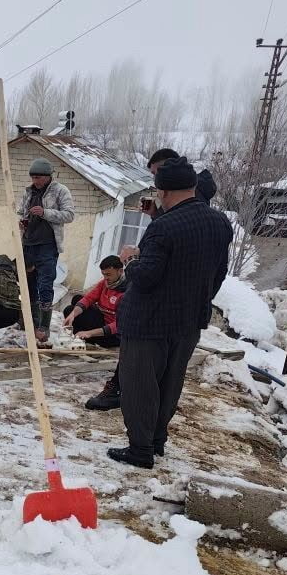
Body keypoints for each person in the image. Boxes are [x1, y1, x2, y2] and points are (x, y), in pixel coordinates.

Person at [108, 157, 232, 468]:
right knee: (170, 383)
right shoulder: (219, 223)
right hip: (189, 321)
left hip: (149, 322)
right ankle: (157, 441)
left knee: (139, 384)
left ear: (164, 192)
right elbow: (218, 273)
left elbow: (147, 277)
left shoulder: (163, 227)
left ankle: (140, 449)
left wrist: (129, 260)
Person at [17, 157, 75, 346]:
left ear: (48, 176)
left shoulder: (60, 191)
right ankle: (31, 322)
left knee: (45, 286)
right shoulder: (29, 191)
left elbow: (69, 215)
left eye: (39, 178)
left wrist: (45, 212)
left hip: (47, 246)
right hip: (28, 244)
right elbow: (21, 211)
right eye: (33, 177)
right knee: (28, 285)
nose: (35, 181)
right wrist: (22, 221)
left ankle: (44, 327)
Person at [63, 255, 126, 410]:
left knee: (88, 322)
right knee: (73, 306)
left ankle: (87, 337)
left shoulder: (127, 292)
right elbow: (88, 299)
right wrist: (72, 315)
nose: (106, 278)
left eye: (109, 275)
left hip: (114, 334)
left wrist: (90, 333)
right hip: (102, 323)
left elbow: (121, 325)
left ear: (120, 271)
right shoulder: (104, 284)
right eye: (103, 274)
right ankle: (82, 338)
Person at [142, 148, 217, 219]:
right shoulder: (192, 192)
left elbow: (171, 227)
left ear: (168, 168)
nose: (154, 180)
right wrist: (154, 213)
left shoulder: (191, 197)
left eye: (155, 174)